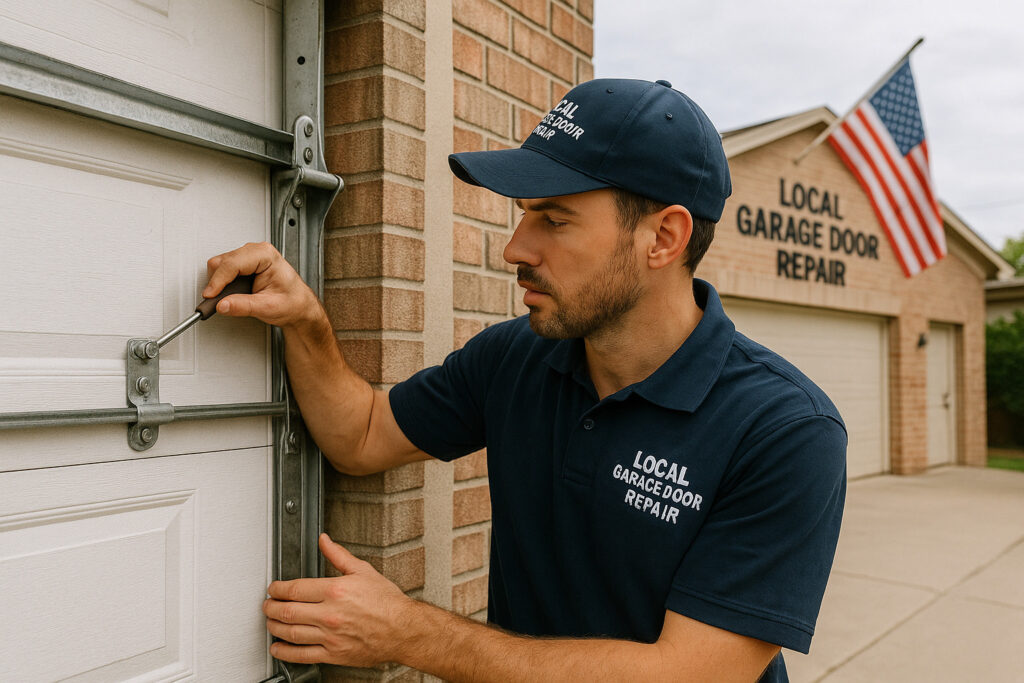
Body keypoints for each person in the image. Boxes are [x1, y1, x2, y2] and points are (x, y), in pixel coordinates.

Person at [205, 78, 846, 682]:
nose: (515, 249)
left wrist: (409, 634)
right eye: (524, 214)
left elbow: (689, 673)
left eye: (554, 219)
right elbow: (364, 434)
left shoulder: (785, 429)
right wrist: (305, 321)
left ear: (665, 237)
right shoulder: (516, 357)